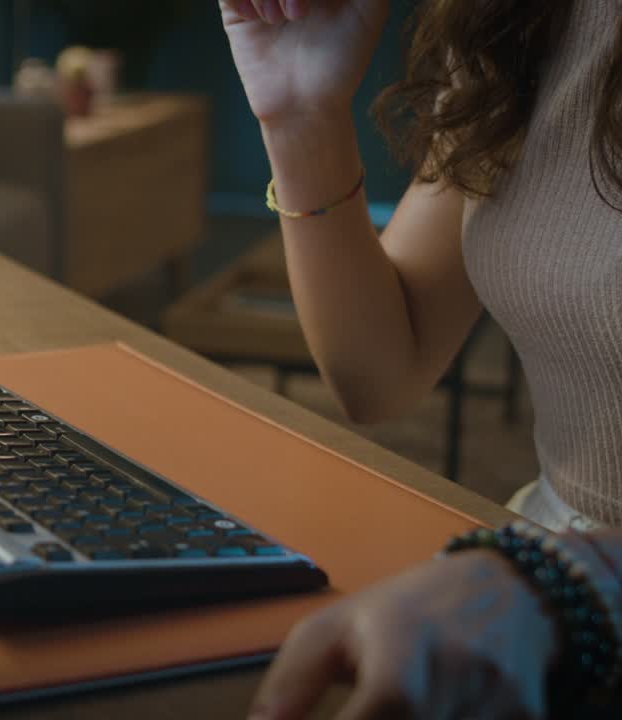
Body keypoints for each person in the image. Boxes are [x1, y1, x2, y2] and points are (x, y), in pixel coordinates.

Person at [219, 0, 622, 717]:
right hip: (532, 600)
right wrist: (302, 116)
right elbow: (382, 371)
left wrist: (576, 584)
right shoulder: (532, 17)